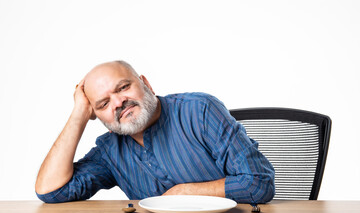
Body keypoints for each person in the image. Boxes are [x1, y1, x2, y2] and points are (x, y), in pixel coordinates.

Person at [35, 60, 275, 204]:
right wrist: (78, 115)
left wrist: (186, 192)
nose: (118, 103)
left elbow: (259, 183)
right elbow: (51, 191)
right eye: (103, 104)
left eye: (123, 87)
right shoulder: (109, 152)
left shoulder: (200, 111)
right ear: (95, 114)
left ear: (145, 84)